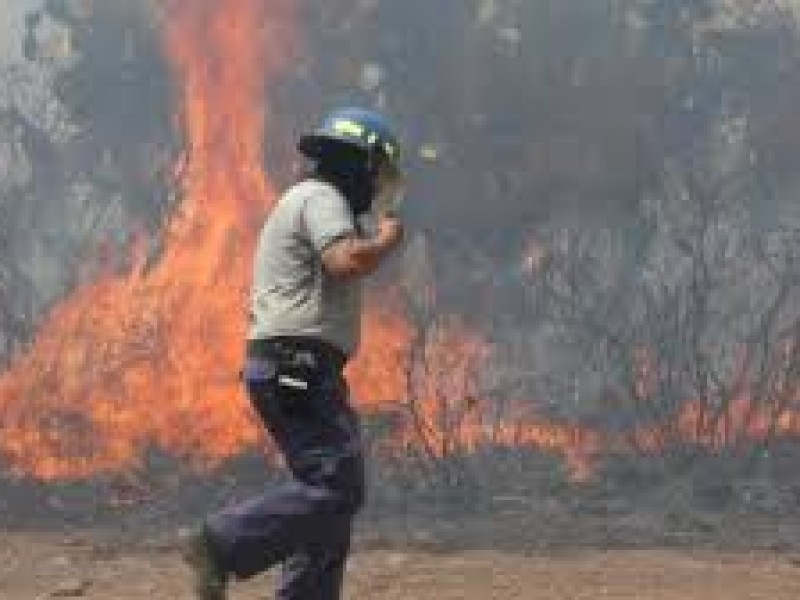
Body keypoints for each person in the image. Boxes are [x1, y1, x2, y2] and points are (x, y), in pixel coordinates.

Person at [182, 107, 406, 600]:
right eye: (379, 173)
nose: (380, 188)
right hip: (296, 365)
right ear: (360, 164)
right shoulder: (320, 199)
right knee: (337, 488)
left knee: (326, 505)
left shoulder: (310, 200)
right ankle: (221, 542)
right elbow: (345, 261)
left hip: (295, 365)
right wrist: (388, 237)